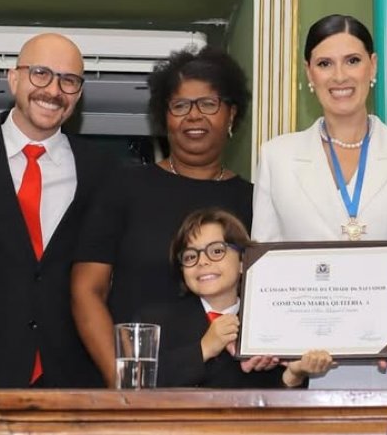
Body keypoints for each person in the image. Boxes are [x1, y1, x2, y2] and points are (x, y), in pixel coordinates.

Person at [251, 14, 387, 390]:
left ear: (373, 66)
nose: (340, 76)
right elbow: (264, 261)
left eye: (352, 61)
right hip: (310, 362)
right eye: (325, 64)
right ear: (309, 73)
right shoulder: (276, 156)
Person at [72, 46, 253, 387]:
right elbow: (86, 291)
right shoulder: (123, 187)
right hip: (138, 391)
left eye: (209, 104)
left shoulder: (255, 201)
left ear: (231, 115)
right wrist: (121, 377)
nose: (194, 116)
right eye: (180, 105)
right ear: (164, 116)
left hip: (234, 392)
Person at [0, 33, 117, 388]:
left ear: (79, 94)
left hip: (74, 383)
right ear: (14, 79)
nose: (54, 90)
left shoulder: (105, 172)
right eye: (40, 73)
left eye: (68, 81)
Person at [151, 207, 332, 388]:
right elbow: (140, 384)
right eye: (190, 256)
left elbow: (269, 406)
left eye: (216, 251)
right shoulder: (156, 323)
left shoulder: (273, 322)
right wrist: (204, 349)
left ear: (243, 261)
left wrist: (294, 375)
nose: (202, 261)